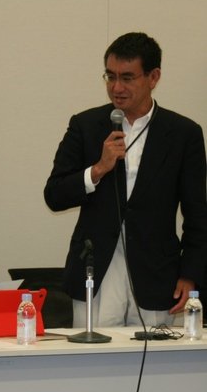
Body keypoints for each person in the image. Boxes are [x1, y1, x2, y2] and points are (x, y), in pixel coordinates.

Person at [44, 32, 207, 328]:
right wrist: (98, 169)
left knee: (157, 364)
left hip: (157, 273)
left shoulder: (184, 133)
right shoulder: (85, 125)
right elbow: (54, 195)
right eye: (110, 76)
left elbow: (198, 214)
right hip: (97, 270)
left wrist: (190, 273)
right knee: (94, 364)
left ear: (153, 77)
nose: (116, 88)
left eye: (128, 78)